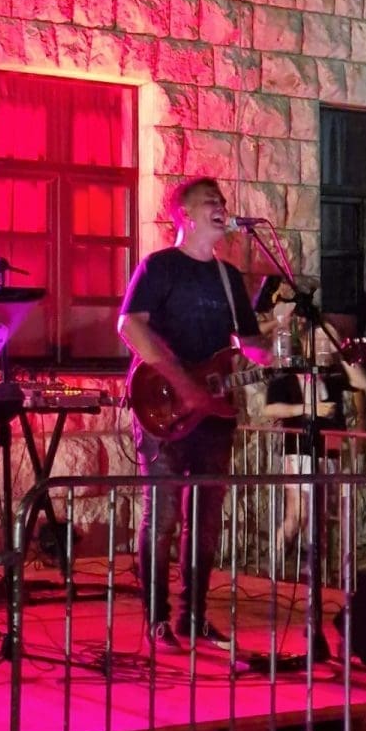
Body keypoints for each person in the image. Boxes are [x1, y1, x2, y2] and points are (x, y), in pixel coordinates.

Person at [118, 178, 270, 654]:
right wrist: (182, 381)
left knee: (205, 519)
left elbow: (248, 344)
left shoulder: (228, 278)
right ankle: (157, 619)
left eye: (223, 201)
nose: (221, 207)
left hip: (215, 413)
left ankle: (194, 616)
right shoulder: (160, 267)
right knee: (162, 515)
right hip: (162, 403)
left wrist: (274, 352)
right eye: (211, 202)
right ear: (184, 214)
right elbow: (129, 325)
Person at [257, 278, 366, 567]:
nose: (323, 346)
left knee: (320, 513)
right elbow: (271, 408)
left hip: (327, 449)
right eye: (319, 340)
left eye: (326, 342)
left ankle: (314, 569)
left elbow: (362, 384)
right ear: (307, 342)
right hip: (298, 449)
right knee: (299, 512)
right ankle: (274, 562)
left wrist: (343, 355)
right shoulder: (288, 369)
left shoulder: (333, 374)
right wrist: (309, 408)